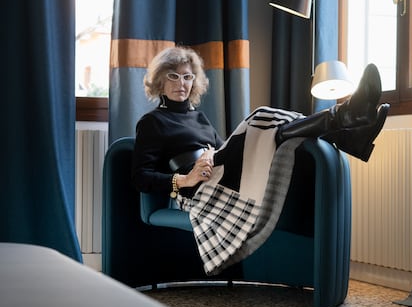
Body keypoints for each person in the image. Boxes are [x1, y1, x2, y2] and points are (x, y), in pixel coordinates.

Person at [131, 45, 389, 201]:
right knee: (261, 118)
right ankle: (347, 127)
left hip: (223, 171)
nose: (181, 83)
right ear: (160, 82)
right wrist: (185, 179)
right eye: (173, 76)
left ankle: (346, 127)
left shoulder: (199, 117)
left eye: (187, 77)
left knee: (273, 131)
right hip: (199, 186)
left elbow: (227, 151)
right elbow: (141, 178)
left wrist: (216, 153)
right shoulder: (152, 122)